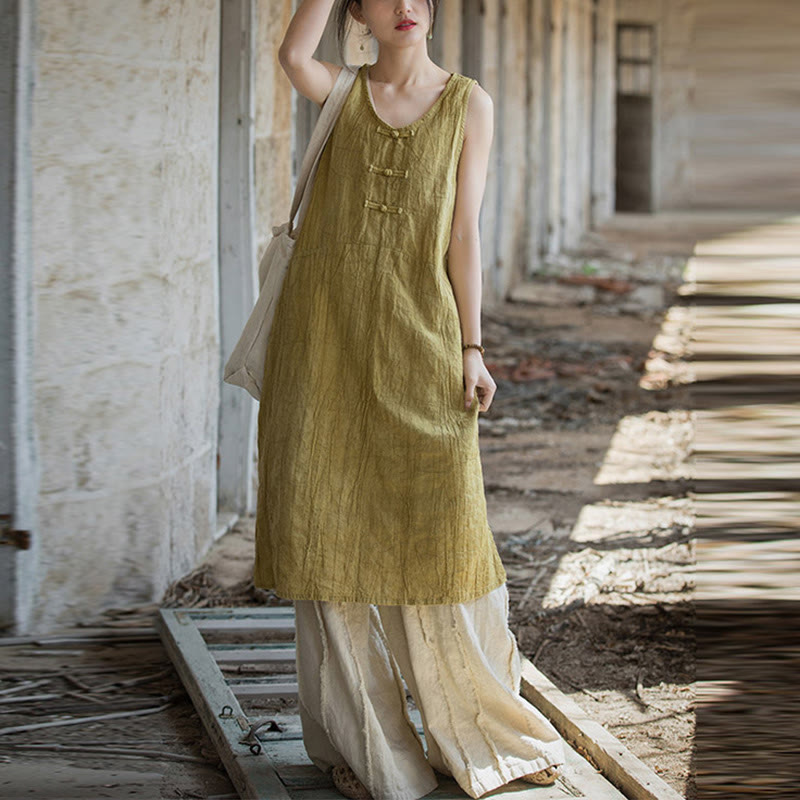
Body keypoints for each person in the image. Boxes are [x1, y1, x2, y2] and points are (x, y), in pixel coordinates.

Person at [254, 1, 567, 797]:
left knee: (440, 532)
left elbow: (464, 233)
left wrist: (473, 346)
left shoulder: (468, 102)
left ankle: (469, 723)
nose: (405, 9)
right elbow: (293, 54)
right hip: (318, 345)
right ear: (356, 11)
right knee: (324, 539)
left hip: (418, 340)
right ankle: (373, 756)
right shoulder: (341, 93)